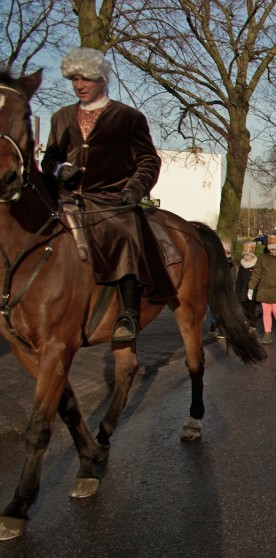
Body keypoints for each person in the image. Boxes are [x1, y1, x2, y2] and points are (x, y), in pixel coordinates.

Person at [41, 47, 175, 342]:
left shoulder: (128, 117)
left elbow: (148, 160)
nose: (79, 85)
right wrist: (59, 168)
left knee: (124, 232)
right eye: (74, 79)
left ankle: (127, 313)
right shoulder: (60, 117)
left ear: (102, 79)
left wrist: (135, 188)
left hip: (110, 199)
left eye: (85, 78)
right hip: (65, 197)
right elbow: (48, 159)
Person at [235, 241, 259, 333]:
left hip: (253, 291)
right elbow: (239, 280)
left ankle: (252, 325)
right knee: (244, 309)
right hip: (243, 291)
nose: (245, 257)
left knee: (251, 309)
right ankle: (245, 324)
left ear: (252, 255)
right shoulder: (242, 265)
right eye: (244, 255)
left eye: (247, 255)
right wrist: (237, 293)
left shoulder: (256, 264)